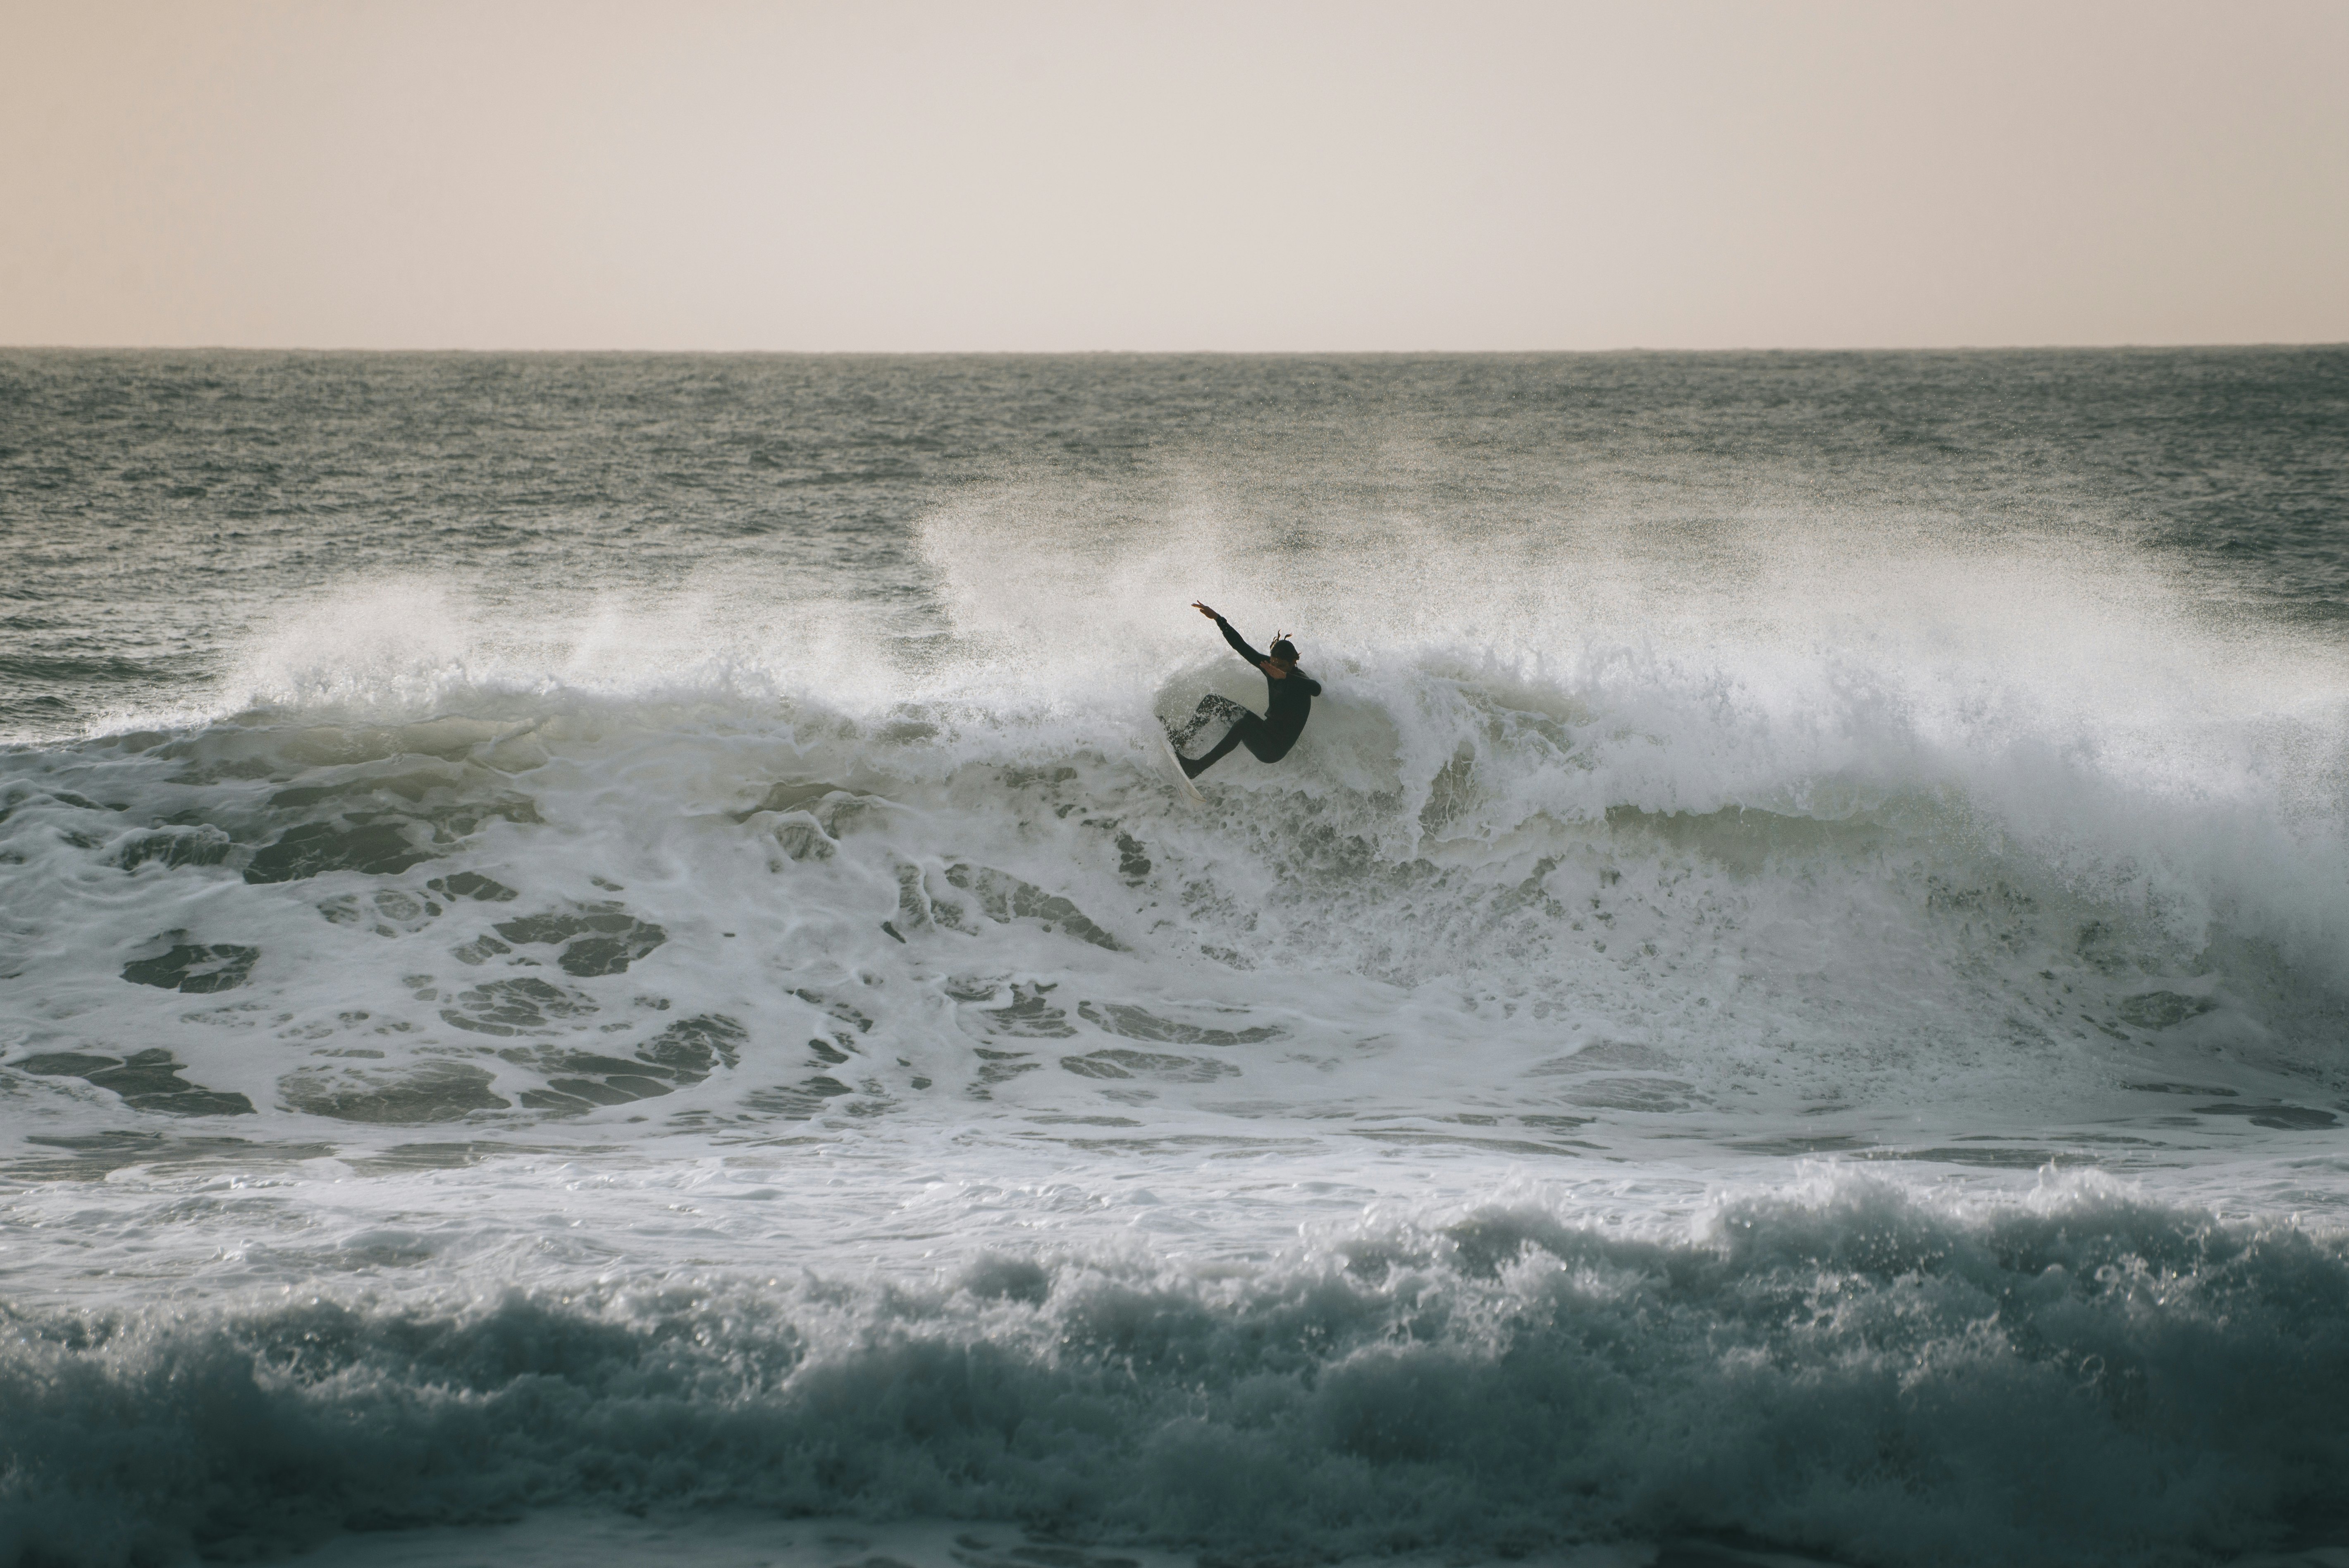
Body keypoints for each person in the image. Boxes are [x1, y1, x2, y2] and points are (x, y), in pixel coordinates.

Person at [1168, 601, 1322, 779]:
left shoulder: (1299, 680)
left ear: (1293, 663)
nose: (1276, 669)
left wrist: (1285, 677)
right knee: (1214, 702)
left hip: (1273, 750)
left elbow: (1316, 689)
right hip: (1264, 731)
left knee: (1242, 725)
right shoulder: (1270, 667)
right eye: (1274, 663)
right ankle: (1182, 740)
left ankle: (1196, 767)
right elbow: (1241, 647)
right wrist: (1219, 619)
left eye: (1282, 666)